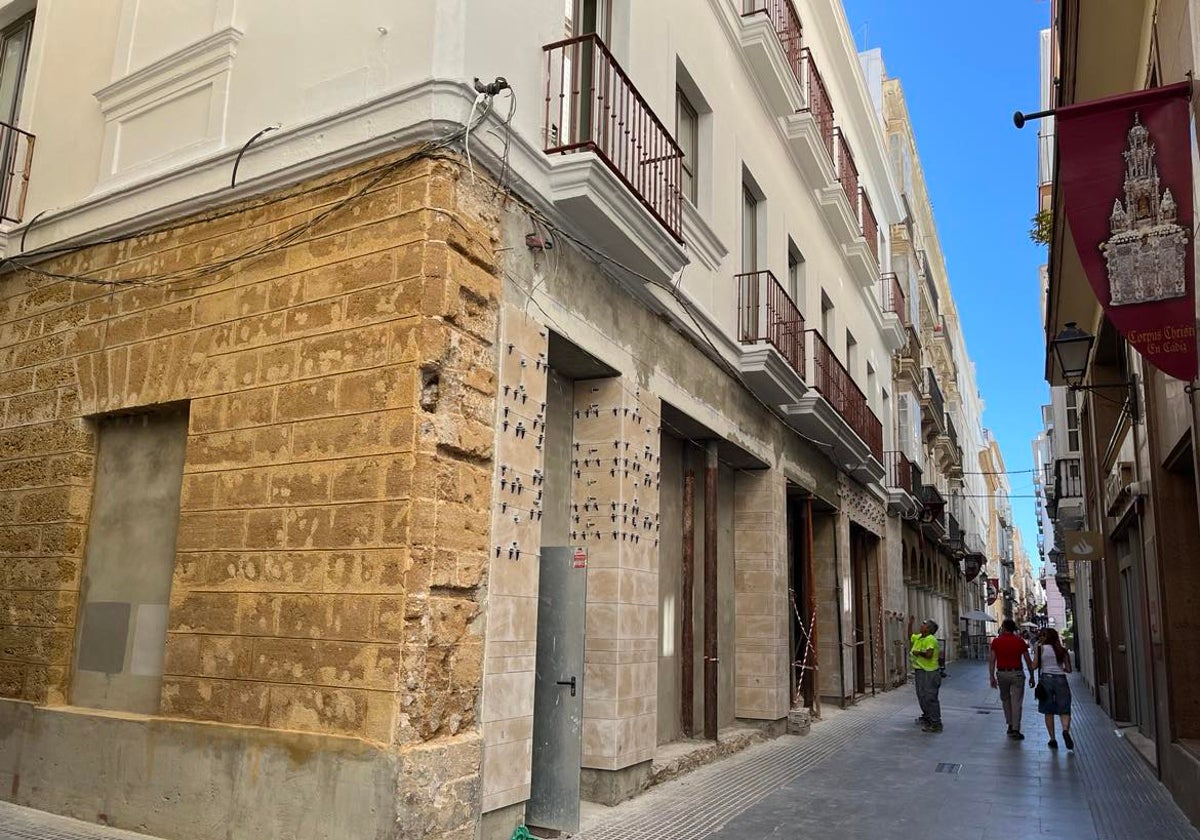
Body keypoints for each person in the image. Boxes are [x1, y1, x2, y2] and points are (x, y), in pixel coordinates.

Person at [989, 618, 1035, 740]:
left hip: (1002, 674)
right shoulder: (1020, 642)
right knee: (1016, 702)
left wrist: (991, 676)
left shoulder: (996, 642)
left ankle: (1009, 724)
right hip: (1017, 674)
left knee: (1005, 700)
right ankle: (1016, 729)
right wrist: (1032, 676)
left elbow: (992, 660)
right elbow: (1028, 660)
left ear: (1003, 628)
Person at [1034, 627, 1074, 750]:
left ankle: (1052, 739)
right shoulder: (1061, 650)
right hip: (1061, 679)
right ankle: (1065, 730)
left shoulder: (1040, 649)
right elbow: (1068, 669)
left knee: (1048, 709)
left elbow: (1034, 665)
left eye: (1042, 635)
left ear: (1044, 638)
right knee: (1064, 707)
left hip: (1046, 679)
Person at [909, 617, 942, 733]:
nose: (921, 625)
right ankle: (928, 717)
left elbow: (929, 654)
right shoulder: (919, 637)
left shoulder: (930, 639)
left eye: (924, 624)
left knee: (930, 697)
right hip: (920, 670)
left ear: (928, 629)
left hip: (930, 672)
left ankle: (936, 723)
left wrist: (918, 652)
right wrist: (910, 624)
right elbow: (910, 636)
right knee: (921, 695)